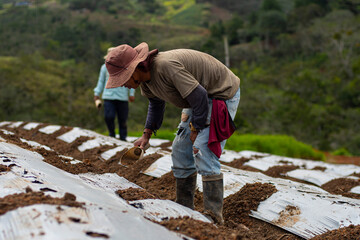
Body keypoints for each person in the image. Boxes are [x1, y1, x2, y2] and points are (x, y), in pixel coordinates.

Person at [104, 42, 240, 224]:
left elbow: (199, 95)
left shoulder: (166, 66)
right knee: (180, 150)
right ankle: (185, 208)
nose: (124, 86)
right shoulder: (145, 81)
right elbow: (156, 104)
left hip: (219, 93)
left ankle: (214, 217)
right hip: (197, 100)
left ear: (135, 69)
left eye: (123, 79)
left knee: (202, 149)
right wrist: (146, 135)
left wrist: (196, 128)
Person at [93, 47, 135, 141]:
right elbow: (101, 81)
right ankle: (112, 134)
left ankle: (123, 137)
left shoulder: (125, 67)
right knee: (109, 116)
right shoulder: (104, 67)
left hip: (122, 98)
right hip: (108, 97)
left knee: (122, 119)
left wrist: (131, 93)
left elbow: (131, 80)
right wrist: (97, 94)